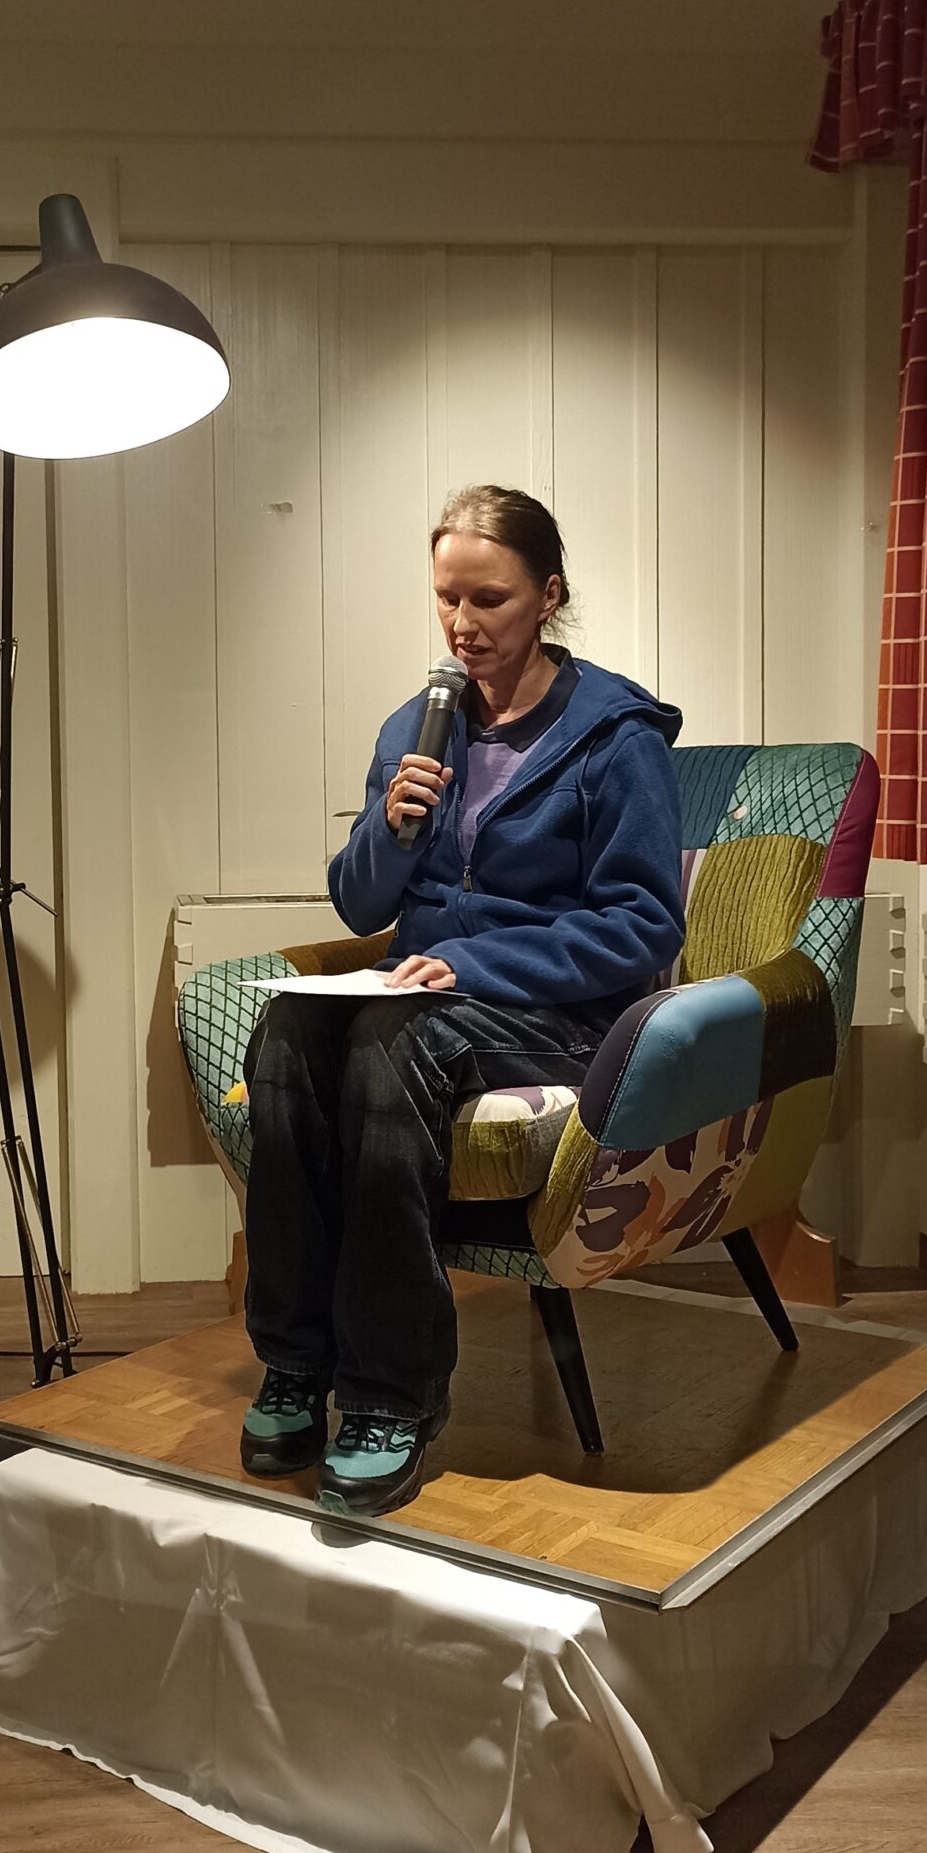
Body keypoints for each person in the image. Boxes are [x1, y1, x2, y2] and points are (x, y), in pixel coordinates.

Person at [240, 484, 685, 1516]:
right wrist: (389, 830)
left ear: (547, 595)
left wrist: (475, 965)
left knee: (385, 1050)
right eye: (447, 598)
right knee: (287, 1033)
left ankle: (389, 1397)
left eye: (488, 599)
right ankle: (295, 1362)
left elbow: (642, 926)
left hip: (559, 1014)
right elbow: (360, 901)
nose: (462, 624)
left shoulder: (615, 736)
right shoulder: (419, 724)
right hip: (422, 1000)